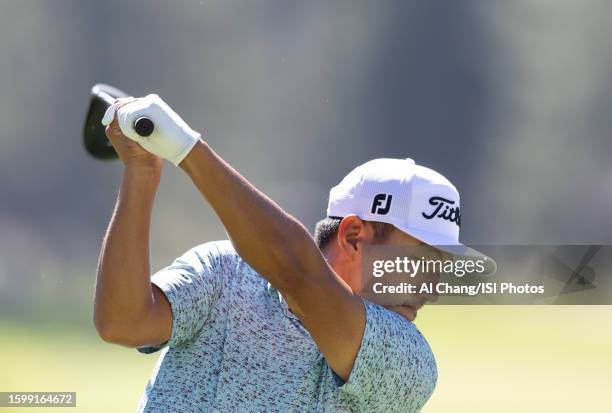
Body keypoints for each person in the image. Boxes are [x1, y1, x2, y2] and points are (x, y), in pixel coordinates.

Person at [94, 94, 491, 412]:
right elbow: (123, 323)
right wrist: (142, 172)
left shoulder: (409, 362)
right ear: (354, 236)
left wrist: (186, 148)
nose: (433, 289)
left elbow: (298, 276)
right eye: (421, 263)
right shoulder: (223, 272)